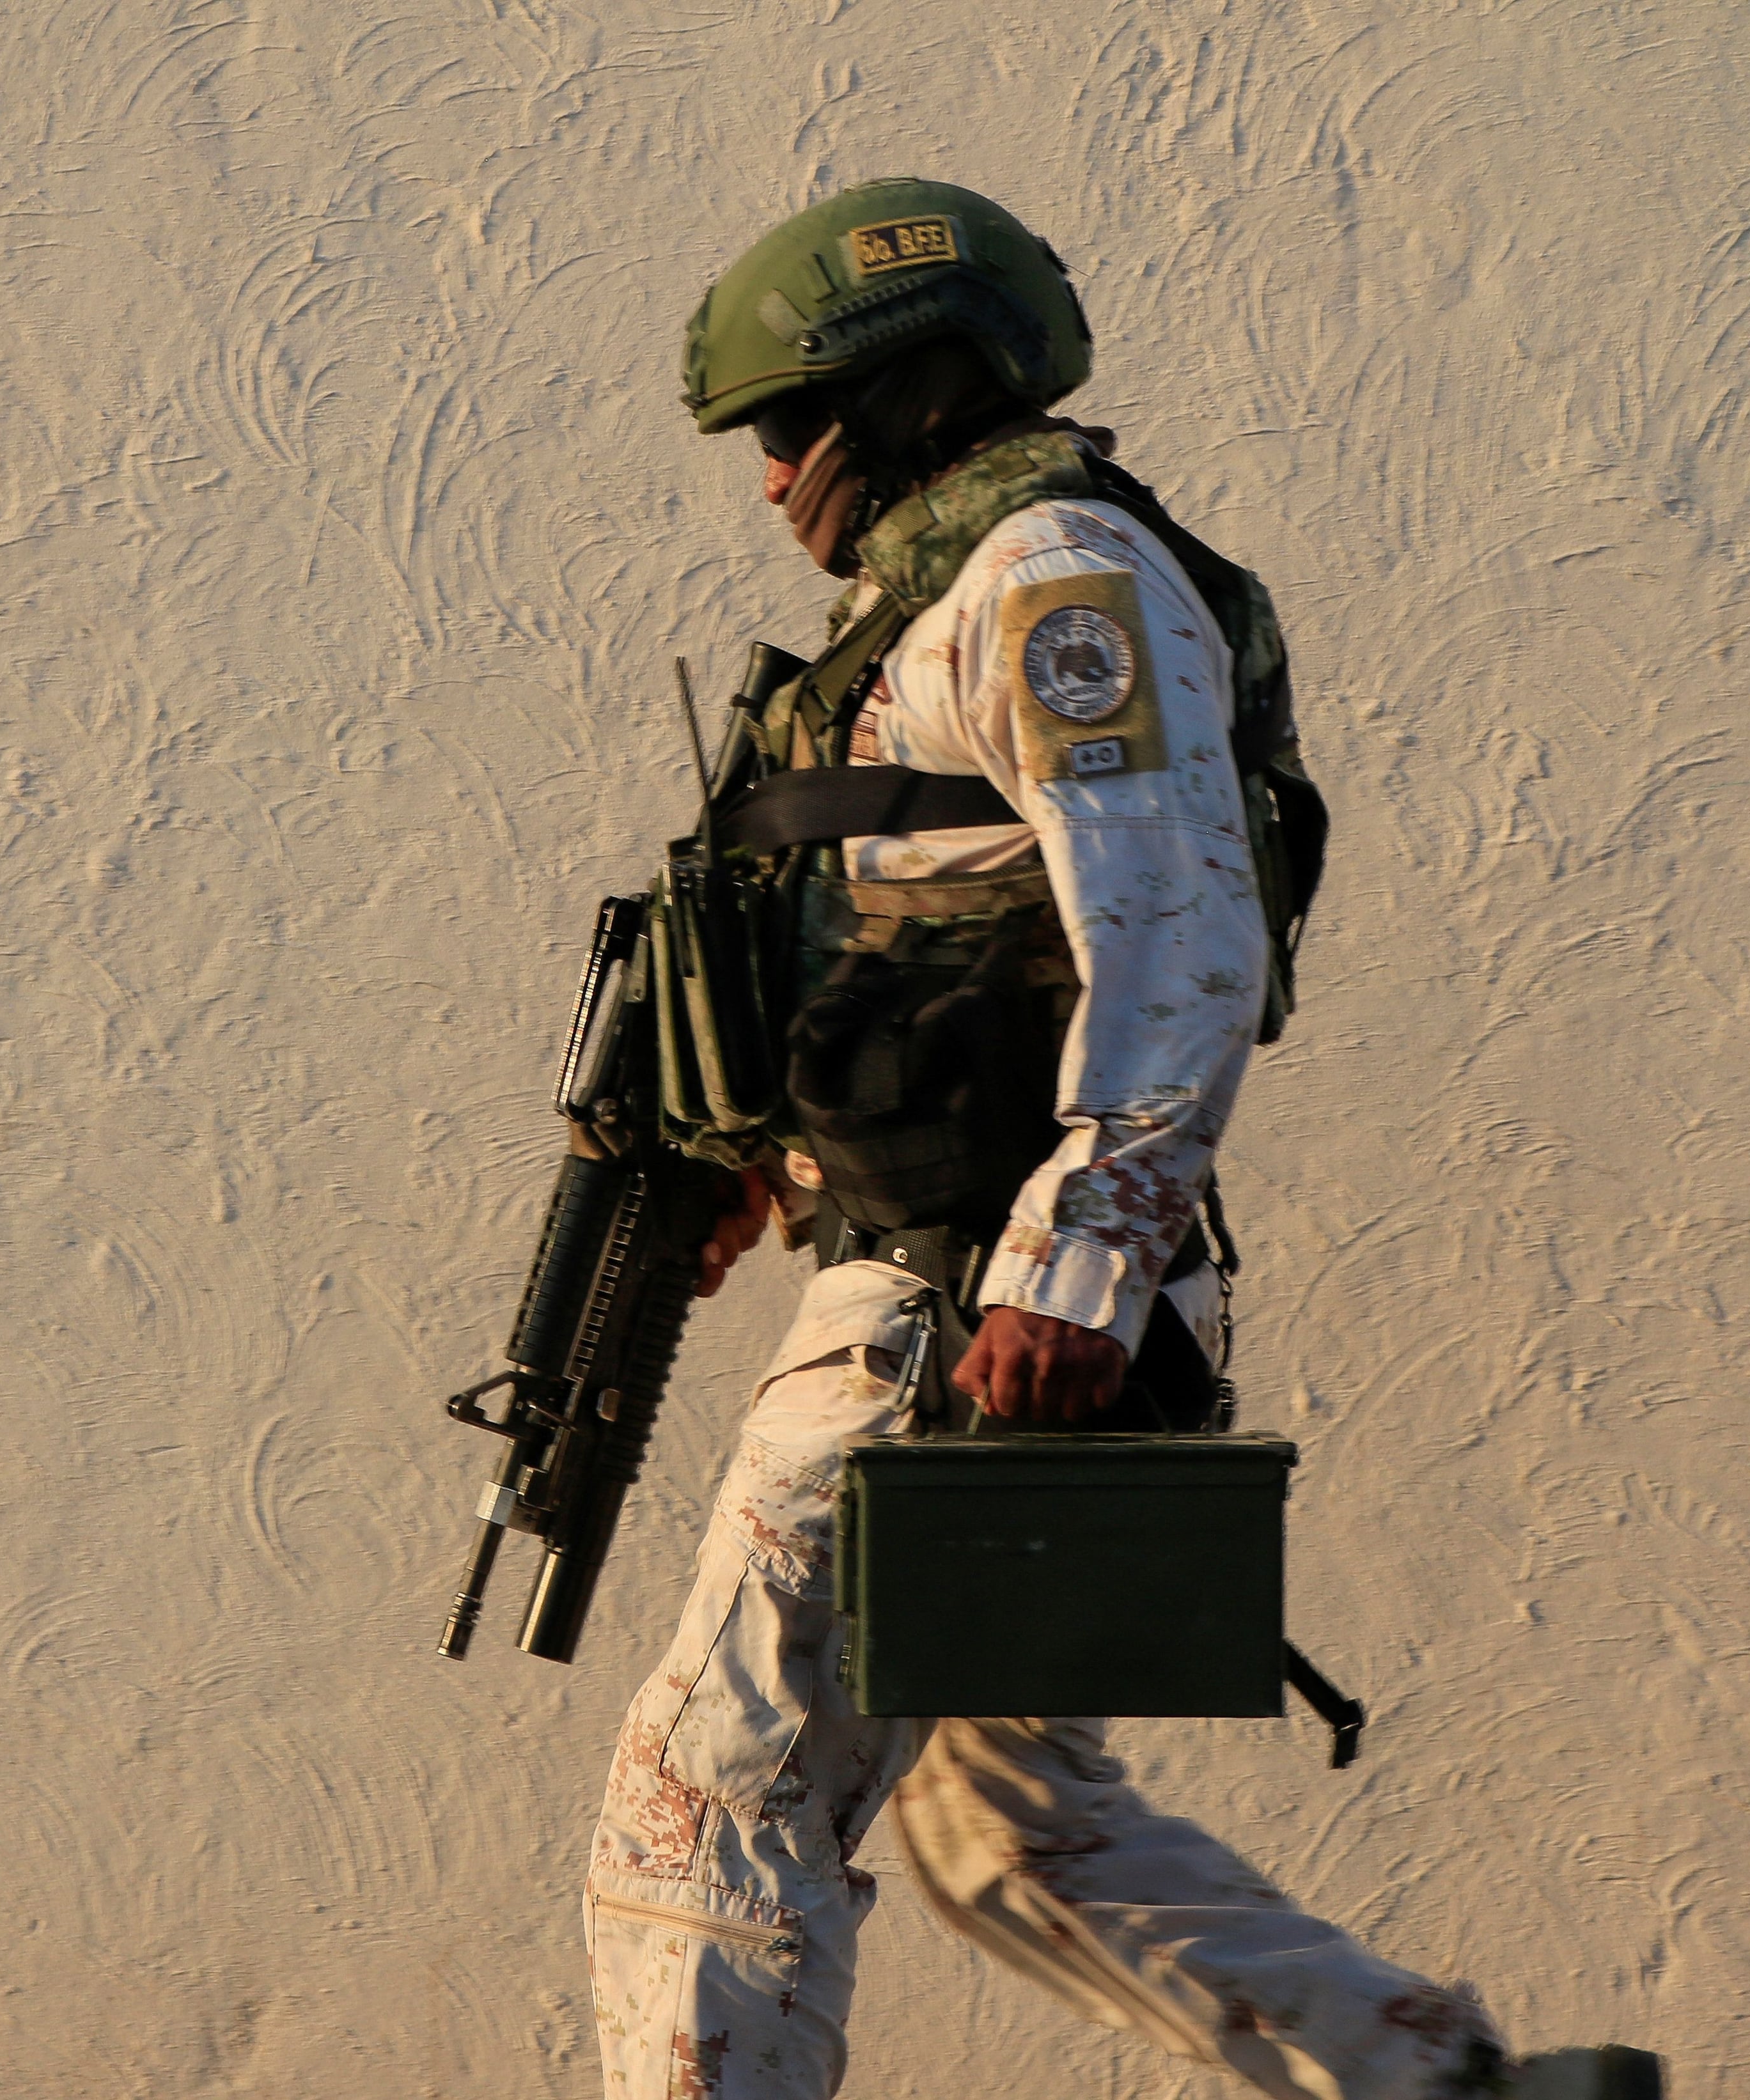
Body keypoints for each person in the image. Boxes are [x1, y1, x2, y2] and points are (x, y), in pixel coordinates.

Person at [582, 179, 1660, 2100]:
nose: (768, 485)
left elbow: (1177, 925)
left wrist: (1079, 1263)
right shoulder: (941, 598)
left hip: (966, 1310)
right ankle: (1446, 2092)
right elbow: (954, 923)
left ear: (916, 392)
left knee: (709, 1814)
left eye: (787, 429)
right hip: (963, 1281)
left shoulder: (1051, 578)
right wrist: (765, 1143)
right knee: (1009, 1833)